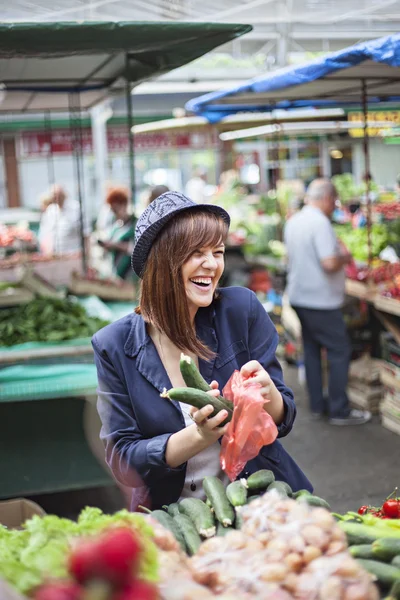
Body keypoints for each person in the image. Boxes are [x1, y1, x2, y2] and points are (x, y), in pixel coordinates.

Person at [92, 191, 312, 510]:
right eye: (196, 252)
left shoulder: (240, 310)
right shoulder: (114, 345)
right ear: (161, 262)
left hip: (260, 500)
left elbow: (283, 418)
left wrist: (270, 396)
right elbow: (123, 459)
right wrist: (199, 436)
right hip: (173, 514)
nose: (211, 264)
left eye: (217, 251)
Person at [284, 178, 371, 426]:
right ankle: (339, 410)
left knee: (311, 350)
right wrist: (345, 256)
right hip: (320, 300)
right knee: (339, 350)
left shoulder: (295, 220)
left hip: (300, 297)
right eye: (334, 200)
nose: (335, 206)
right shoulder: (320, 223)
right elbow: (329, 263)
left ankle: (317, 405)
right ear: (326, 198)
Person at [97, 186, 136, 280]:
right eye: (112, 210)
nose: (114, 213)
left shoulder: (136, 224)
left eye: (116, 209)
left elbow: (135, 248)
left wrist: (114, 245)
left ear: (124, 205)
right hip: (117, 276)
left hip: (131, 275)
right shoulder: (115, 227)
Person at [38, 184, 87, 255]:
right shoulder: (50, 211)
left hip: (74, 253)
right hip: (56, 254)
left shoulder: (76, 208)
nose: (56, 198)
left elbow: (86, 233)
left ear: (64, 195)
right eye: (53, 196)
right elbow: (44, 233)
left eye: (58, 195)